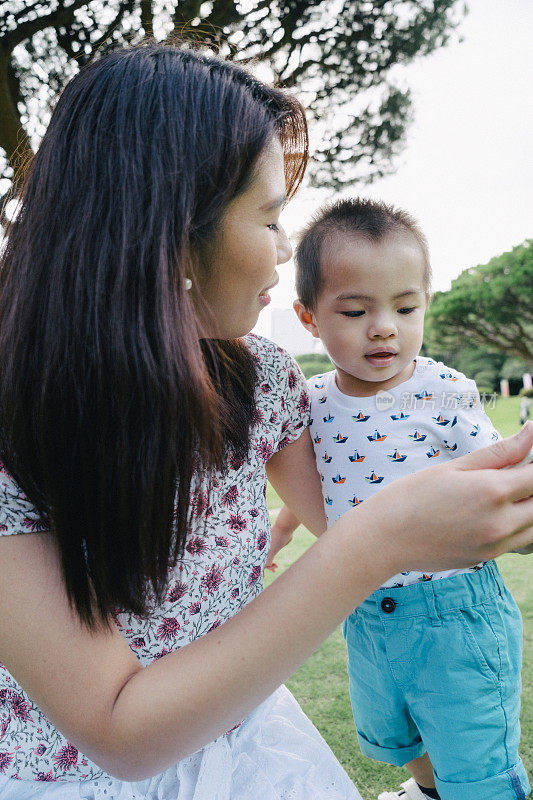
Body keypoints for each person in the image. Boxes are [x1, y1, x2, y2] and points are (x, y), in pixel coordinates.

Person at [0, 44, 532, 800]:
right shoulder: (16, 426)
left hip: (249, 744)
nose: (286, 249)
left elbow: (349, 502)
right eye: (271, 217)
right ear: (174, 233)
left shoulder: (257, 379)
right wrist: (375, 541)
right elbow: (118, 731)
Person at [270, 198, 531, 800]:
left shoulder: (441, 391)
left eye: (405, 307)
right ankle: (430, 790)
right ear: (309, 318)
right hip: (366, 607)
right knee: (397, 738)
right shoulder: (313, 401)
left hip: (453, 608)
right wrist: (281, 531)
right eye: (357, 310)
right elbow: (328, 483)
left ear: (424, 307)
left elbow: (504, 469)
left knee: (477, 757)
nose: (384, 325)